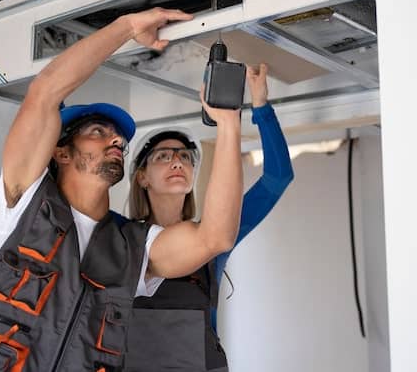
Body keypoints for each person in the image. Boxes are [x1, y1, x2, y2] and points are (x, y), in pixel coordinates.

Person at [0, 8, 244, 372]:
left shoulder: (133, 247)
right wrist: (127, 27)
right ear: (61, 152)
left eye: (119, 138)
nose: (116, 140)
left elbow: (215, 237)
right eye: (98, 131)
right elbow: (45, 91)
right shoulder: (22, 205)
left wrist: (229, 125)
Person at [124, 63, 294, 372]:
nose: (177, 161)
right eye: (163, 156)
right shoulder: (121, 239)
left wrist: (260, 105)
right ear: (142, 177)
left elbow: (277, 177)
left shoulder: (216, 239)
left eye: (185, 157)